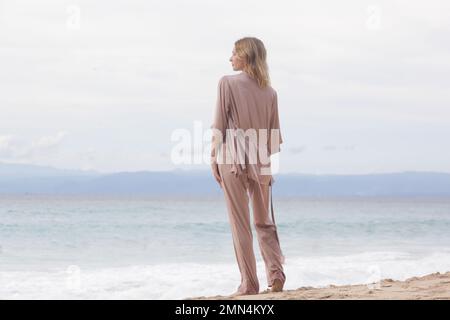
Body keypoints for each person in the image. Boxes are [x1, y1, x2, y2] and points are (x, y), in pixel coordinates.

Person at [210, 37, 286, 296]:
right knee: (265, 221)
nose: (230, 58)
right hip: (262, 160)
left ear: (245, 56)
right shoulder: (271, 92)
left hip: (231, 157)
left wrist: (213, 157)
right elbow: (274, 138)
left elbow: (219, 126)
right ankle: (276, 276)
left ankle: (248, 284)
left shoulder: (226, 83)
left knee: (240, 223)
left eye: (233, 53)